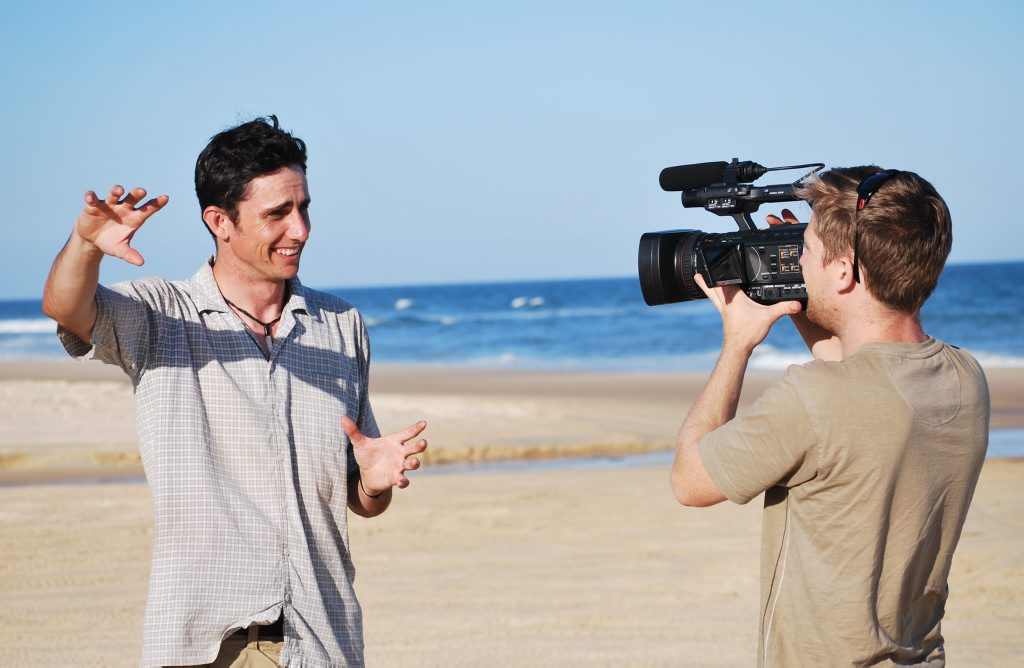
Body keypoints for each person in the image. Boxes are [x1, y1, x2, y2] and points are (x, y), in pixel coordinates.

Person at [42, 116, 427, 667]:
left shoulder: (342, 325)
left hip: (323, 638)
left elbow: (362, 500)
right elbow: (68, 308)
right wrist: (85, 247)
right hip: (206, 644)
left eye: (304, 207)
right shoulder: (162, 316)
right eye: (277, 214)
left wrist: (371, 482)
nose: (300, 230)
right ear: (220, 221)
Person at [669, 166, 989, 665]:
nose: (796, 260)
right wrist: (796, 302)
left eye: (807, 251)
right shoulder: (965, 377)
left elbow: (690, 481)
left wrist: (737, 344)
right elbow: (859, 390)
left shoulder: (813, 398)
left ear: (843, 273)